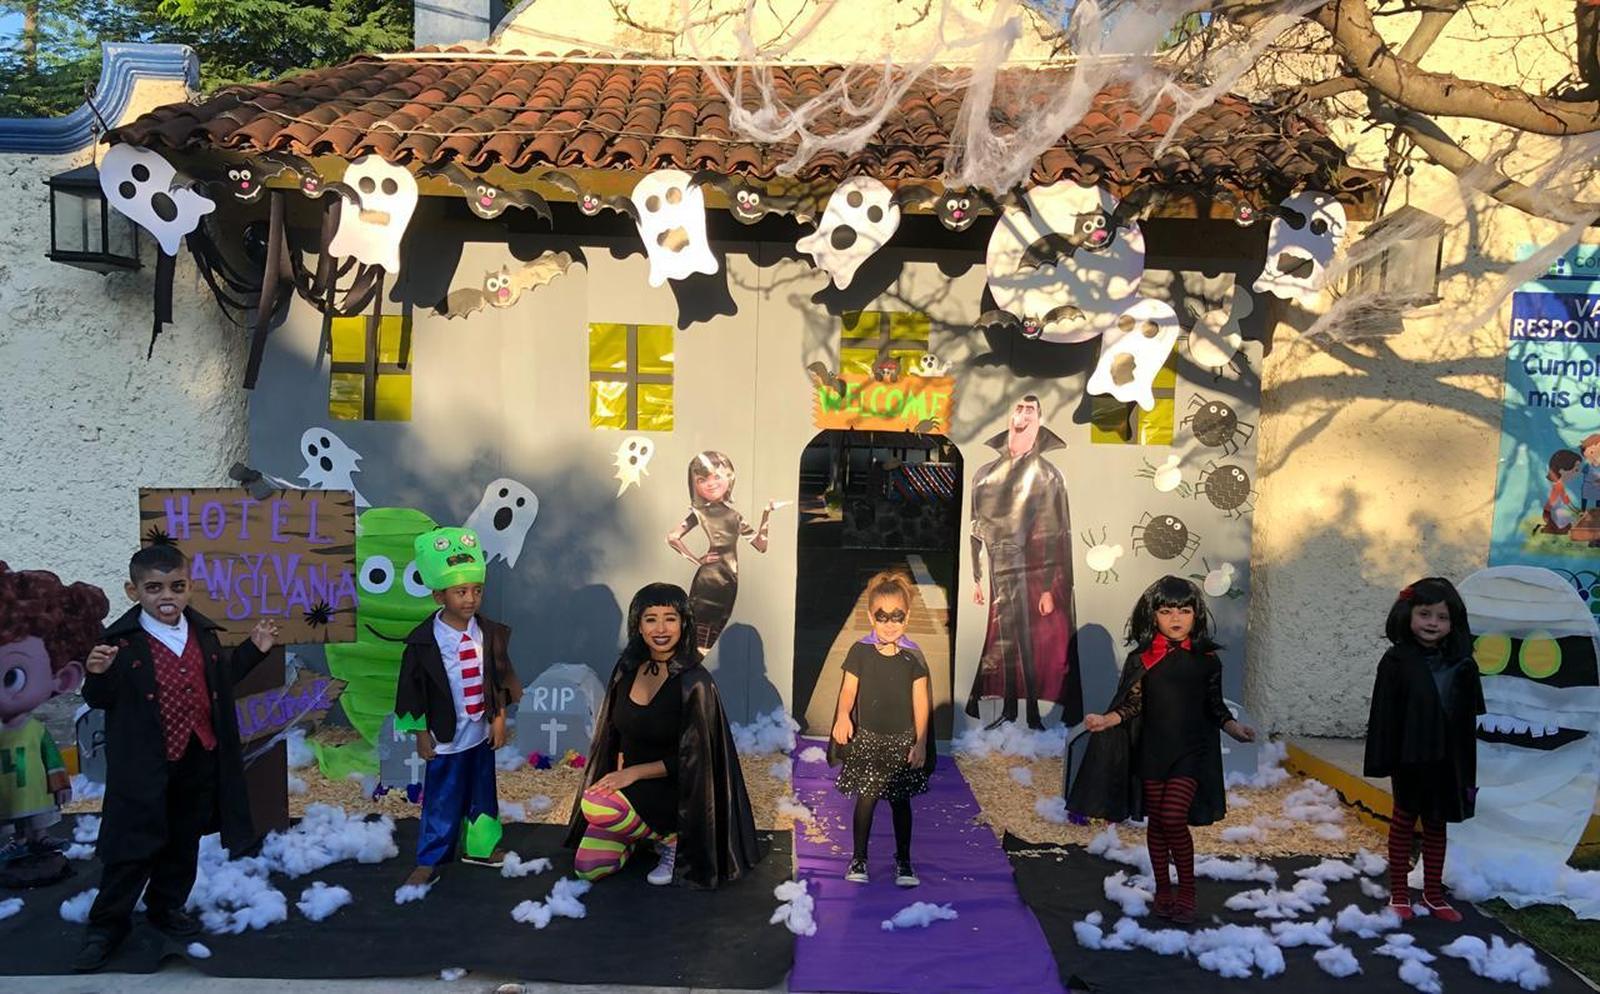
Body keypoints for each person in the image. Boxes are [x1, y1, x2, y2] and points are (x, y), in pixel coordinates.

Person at [75, 545, 278, 972]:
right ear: (134, 591)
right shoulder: (120, 644)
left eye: (176, 586)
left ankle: (166, 906)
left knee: (183, 841)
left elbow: (220, 680)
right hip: (144, 765)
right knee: (133, 845)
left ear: (189, 587)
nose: (166, 596)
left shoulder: (203, 635)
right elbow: (101, 699)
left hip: (197, 755)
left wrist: (253, 650)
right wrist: (96, 675)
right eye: (154, 588)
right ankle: (107, 925)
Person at [1067, 575, 1254, 924]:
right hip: (1152, 752)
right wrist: (1106, 720)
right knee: (1157, 825)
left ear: (1196, 614)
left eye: (1184, 611)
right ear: (1153, 616)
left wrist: (1234, 728)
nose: (1176, 618)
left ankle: (1188, 891)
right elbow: (1132, 705)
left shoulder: (1207, 659)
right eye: (1166, 611)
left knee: (1172, 818)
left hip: (1192, 753)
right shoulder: (1142, 659)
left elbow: (1215, 707)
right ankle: (1163, 890)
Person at [566, 582, 760, 888]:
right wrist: (619, 774)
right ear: (638, 625)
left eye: (670, 618)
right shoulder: (627, 669)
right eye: (651, 619)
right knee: (587, 868)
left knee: (596, 804)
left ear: (684, 624)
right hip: (633, 787)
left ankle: (672, 838)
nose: (660, 629)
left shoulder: (695, 682)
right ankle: (637, 833)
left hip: (678, 794)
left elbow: (696, 759)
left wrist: (632, 774)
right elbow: (616, 735)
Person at [394, 526, 521, 889]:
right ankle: (431, 857)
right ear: (439, 595)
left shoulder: (489, 634)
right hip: (446, 737)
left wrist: (499, 719)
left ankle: (481, 846)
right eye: (460, 592)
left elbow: (497, 678)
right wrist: (421, 735)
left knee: (483, 792)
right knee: (442, 798)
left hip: (479, 733)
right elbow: (412, 692)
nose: (470, 599)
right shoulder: (423, 643)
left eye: (476, 590)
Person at [1362, 577, 1483, 923]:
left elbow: (1470, 716)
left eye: (1442, 617)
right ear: (1408, 614)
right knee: (1404, 819)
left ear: (1454, 622)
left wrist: (1466, 764)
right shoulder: (1396, 660)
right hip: (1410, 755)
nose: (1433, 623)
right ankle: (1399, 893)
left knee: (1437, 823)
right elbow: (1384, 713)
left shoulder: (1462, 662)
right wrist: (1385, 756)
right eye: (1425, 614)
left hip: (1449, 757)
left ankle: (1433, 894)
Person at [965, 394, 1082, 730]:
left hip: (1033, 572)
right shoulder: (985, 475)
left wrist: (1046, 588)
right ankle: (1010, 710)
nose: (1024, 414)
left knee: (1029, 641)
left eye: (1031, 409)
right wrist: (977, 579)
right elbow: (975, 528)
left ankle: (1031, 712)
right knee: (1005, 640)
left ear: (1039, 419)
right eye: (1019, 408)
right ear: (1009, 415)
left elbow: (1054, 533)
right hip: (999, 570)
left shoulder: (1047, 475)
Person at [829, 570, 934, 887]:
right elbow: (848, 690)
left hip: (901, 742)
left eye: (897, 616)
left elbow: (921, 702)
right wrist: (843, 715)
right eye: (882, 616)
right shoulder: (859, 651)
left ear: (908, 616)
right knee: (867, 799)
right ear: (870, 616)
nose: (890, 624)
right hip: (869, 740)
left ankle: (904, 861)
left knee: (901, 804)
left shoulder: (913, 656)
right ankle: (859, 858)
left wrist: (921, 742)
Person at [0, 563, 107, 866]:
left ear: (64, 678)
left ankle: (40, 838)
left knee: (38, 815)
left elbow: (52, 758)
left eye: (11, 677)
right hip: (5, 793)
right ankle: (17, 842)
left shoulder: (35, 730)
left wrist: (59, 785)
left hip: (36, 791)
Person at [666, 451, 778, 654]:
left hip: (730, 579)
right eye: (702, 480)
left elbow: (761, 545)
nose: (711, 484)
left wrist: (766, 513)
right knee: (697, 630)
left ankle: (692, 665)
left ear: (729, 477)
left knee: (714, 629)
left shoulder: (735, 516)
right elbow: (673, 537)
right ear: (694, 484)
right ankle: (686, 664)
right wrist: (698, 561)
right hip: (709, 579)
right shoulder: (699, 512)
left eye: (716, 477)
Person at [1544, 449, 1582, 534]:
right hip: (1551, 514)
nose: (1578, 473)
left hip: (1552, 513)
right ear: (1562, 470)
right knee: (1572, 523)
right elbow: (1566, 503)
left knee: (1572, 521)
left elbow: (1567, 502)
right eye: (1576, 470)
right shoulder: (1558, 486)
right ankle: (1553, 527)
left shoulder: (1560, 485)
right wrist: (1576, 512)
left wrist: (1577, 511)